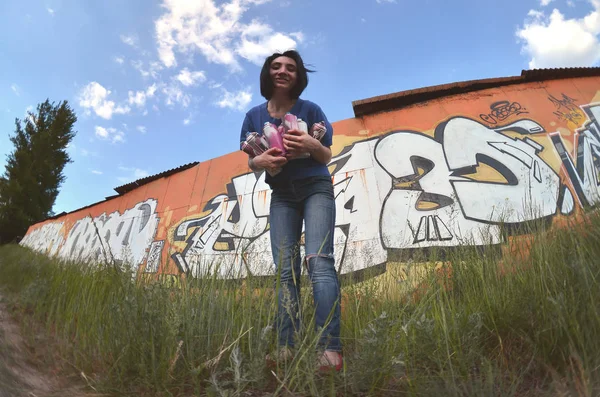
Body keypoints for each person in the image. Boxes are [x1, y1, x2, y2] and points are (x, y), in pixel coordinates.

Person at [239, 50, 342, 371]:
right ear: (267, 74)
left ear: (298, 76)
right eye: (276, 66)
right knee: (286, 272)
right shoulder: (254, 116)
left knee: (319, 263)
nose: (282, 71)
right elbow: (251, 160)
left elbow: (325, 156)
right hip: (281, 194)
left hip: (316, 188)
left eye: (290, 68)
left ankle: (330, 350)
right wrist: (260, 161)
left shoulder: (310, 110)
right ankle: (287, 346)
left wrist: (311, 145)